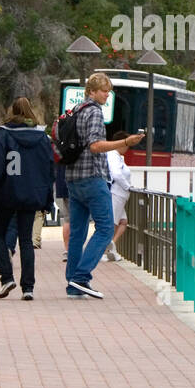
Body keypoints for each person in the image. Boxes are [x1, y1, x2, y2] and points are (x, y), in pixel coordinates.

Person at [64, 73, 143, 299]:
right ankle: (81, 277)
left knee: (78, 231)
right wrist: (126, 142)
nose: (107, 95)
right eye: (103, 91)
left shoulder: (77, 110)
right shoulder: (95, 112)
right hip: (92, 177)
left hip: (73, 177)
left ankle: (72, 284)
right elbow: (96, 146)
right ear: (92, 91)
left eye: (108, 91)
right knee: (106, 227)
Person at [0, 96, 54, 299]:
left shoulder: (3, 134)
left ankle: (7, 278)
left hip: (7, 193)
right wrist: (47, 199)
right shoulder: (42, 137)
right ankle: (28, 288)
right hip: (32, 194)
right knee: (26, 240)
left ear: (12, 111)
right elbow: (48, 170)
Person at [105, 131, 133, 261]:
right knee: (112, 223)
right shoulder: (113, 155)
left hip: (120, 195)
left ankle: (111, 246)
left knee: (122, 222)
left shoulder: (118, 156)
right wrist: (128, 186)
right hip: (116, 193)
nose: (128, 148)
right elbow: (116, 174)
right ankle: (103, 252)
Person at [55, 161, 71, 262]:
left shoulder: (60, 146)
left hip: (62, 183)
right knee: (79, 219)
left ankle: (67, 250)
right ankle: (73, 250)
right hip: (75, 183)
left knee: (67, 219)